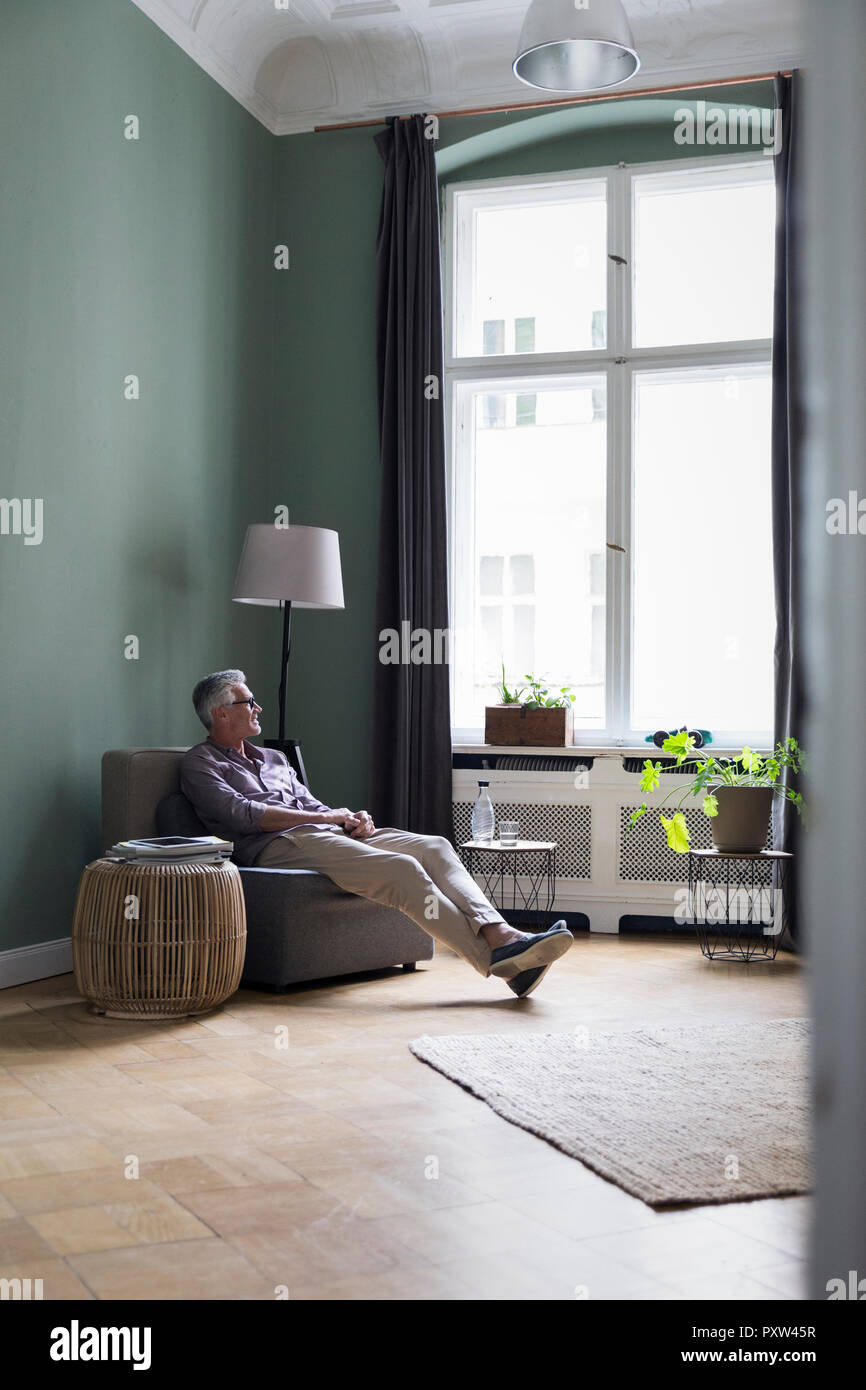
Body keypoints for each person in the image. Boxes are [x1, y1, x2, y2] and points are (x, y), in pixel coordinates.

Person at [180, 669, 574, 998]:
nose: (257, 707)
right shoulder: (200, 762)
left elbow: (312, 805)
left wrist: (350, 818)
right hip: (276, 846)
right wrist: (328, 820)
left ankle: (500, 932)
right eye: (248, 702)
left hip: (324, 834)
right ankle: (502, 963)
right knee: (402, 870)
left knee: (434, 846)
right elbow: (241, 815)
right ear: (221, 714)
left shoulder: (274, 758)